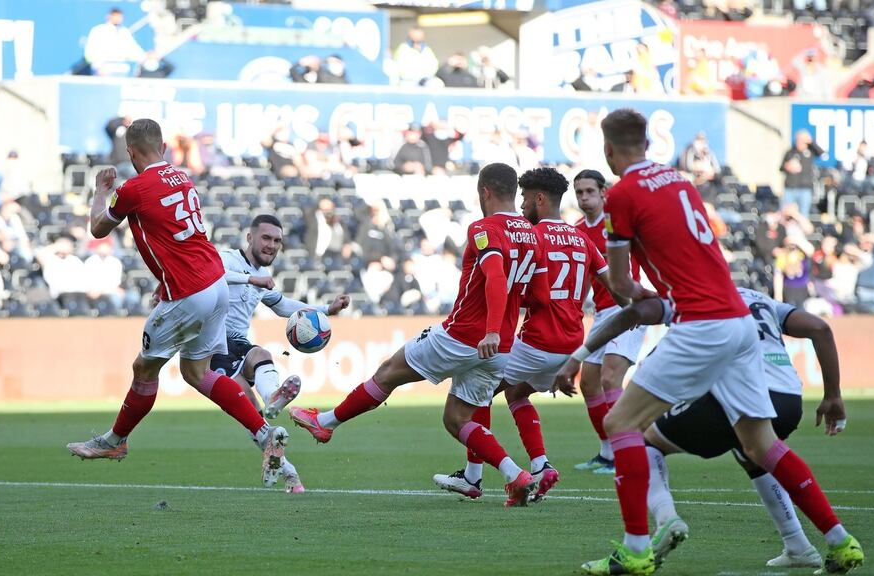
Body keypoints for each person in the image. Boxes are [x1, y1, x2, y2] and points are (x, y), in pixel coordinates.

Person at [575, 108, 861, 576]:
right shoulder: (680, 181)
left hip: (701, 324)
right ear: (648, 144)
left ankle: (636, 550)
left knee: (621, 423)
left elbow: (621, 283)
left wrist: (645, 299)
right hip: (740, 320)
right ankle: (839, 540)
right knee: (762, 444)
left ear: (609, 151)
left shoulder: (623, 194)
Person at [289, 163, 550, 507]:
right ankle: (515, 474)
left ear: (484, 191)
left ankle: (325, 423)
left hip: (465, 335)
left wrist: (487, 329)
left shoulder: (484, 228)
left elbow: (496, 277)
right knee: (457, 419)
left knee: (388, 372)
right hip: (501, 345)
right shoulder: (532, 234)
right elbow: (541, 296)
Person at [66, 119, 291, 489]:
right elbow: (174, 237)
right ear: (165, 148)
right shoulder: (182, 177)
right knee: (197, 373)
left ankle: (115, 441)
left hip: (189, 291)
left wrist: (100, 191)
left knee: (143, 369)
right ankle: (265, 432)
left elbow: (97, 229)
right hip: (216, 283)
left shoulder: (133, 189)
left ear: (131, 153)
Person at [555, 287, 848, 570]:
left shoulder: (693, 294)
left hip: (735, 392)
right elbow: (820, 328)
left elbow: (636, 314)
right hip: (787, 399)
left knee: (641, 439)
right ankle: (808, 543)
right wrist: (833, 394)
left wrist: (579, 356)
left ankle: (663, 521)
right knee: (754, 449)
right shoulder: (760, 298)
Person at [432, 167, 618, 503]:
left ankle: (473, 477)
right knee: (516, 395)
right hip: (572, 341)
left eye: (525, 199)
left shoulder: (534, 237)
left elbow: (530, 292)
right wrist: (634, 309)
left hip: (538, 338)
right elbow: (612, 283)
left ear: (539, 199)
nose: (520, 206)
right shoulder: (583, 238)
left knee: (478, 390)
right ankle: (541, 464)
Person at [215, 214, 352, 492]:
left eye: (277, 240)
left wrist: (326, 310)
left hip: (237, 344)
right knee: (253, 416)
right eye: (266, 238)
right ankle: (274, 409)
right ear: (250, 237)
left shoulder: (263, 276)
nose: (272, 245)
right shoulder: (227, 260)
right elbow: (209, 274)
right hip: (211, 346)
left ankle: (288, 471)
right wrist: (251, 279)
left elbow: (283, 306)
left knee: (259, 371)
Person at [571, 170, 638, 474]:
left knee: (611, 378)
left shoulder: (620, 224)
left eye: (589, 191)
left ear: (603, 192)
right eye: (579, 192)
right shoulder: (576, 232)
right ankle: (607, 453)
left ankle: (629, 450)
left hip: (630, 310)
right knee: (588, 383)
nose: (584, 197)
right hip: (601, 312)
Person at [83, 8, 146, 76]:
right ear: (109, 16)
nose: (118, 19)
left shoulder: (124, 32)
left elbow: (133, 49)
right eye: (115, 16)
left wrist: (144, 56)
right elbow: (91, 52)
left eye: (119, 17)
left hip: (121, 69)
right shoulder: (98, 30)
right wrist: (98, 67)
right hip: (103, 69)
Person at [780, 129, 822, 217]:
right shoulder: (790, 152)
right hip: (790, 189)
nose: (800, 142)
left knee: (803, 215)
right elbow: (781, 168)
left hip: (805, 189)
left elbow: (821, 153)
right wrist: (787, 166)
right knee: (785, 213)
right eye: (799, 140)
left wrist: (811, 141)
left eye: (803, 140)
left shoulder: (810, 152)